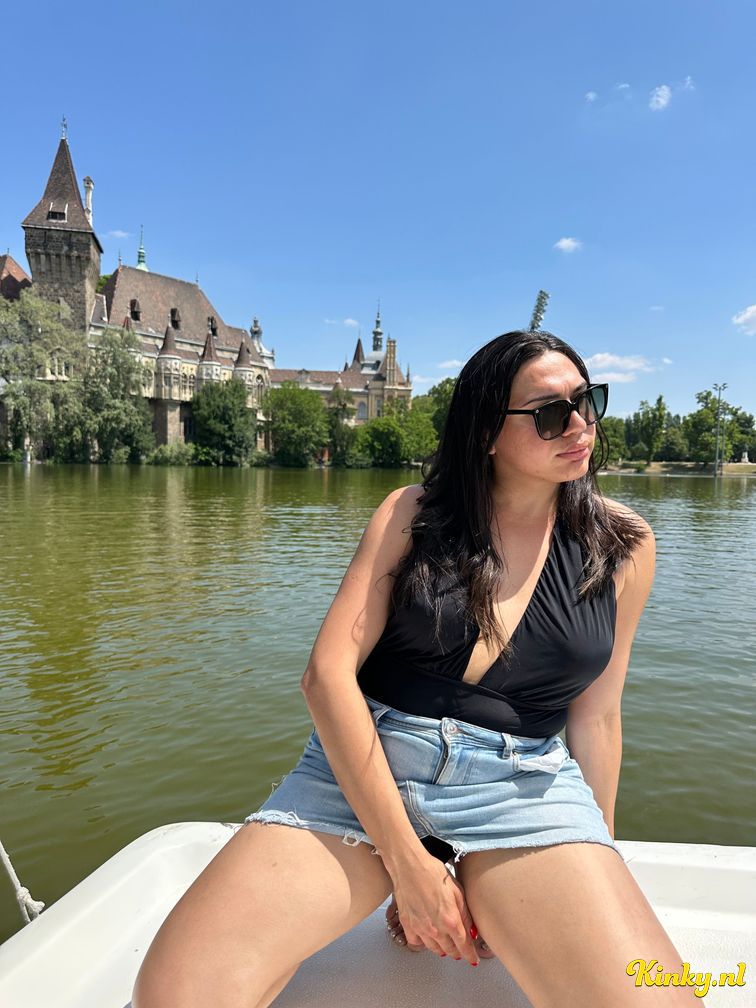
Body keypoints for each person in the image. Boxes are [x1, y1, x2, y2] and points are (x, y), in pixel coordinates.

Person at [133, 330, 704, 1008]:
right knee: (176, 993)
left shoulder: (624, 546)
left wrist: (594, 851)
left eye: (588, 401)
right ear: (486, 432)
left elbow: (598, 715)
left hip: (521, 788)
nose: (580, 426)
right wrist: (410, 868)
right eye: (551, 414)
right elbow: (327, 677)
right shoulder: (412, 514)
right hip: (364, 768)